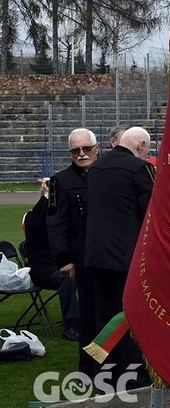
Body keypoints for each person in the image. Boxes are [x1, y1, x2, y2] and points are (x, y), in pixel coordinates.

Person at [85, 126, 155, 389]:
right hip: (127, 258)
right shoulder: (139, 169)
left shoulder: (96, 169)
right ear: (140, 147)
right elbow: (150, 214)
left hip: (97, 256)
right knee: (131, 318)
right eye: (146, 150)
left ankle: (104, 375)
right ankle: (134, 377)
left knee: (104, 317)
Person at [47, 128, 100, 378]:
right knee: (88, 317)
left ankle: (115, 365)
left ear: (96, 148)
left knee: (113, 314)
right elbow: (55, 223)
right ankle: (89, 369)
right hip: (83, 261)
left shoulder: (107, 176)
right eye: (76, 150)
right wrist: (64, 259)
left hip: (112, 259)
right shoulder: (61, 181)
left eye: (86, 148)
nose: (81, 154)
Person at [23, 179, 80, 341]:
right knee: (67, 278)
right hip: (43, 270)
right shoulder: (33, 217)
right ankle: (70, 325)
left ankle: (86, 319)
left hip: (61, 265)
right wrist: (48, 196)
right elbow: (35, 224)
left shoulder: (61, 218)